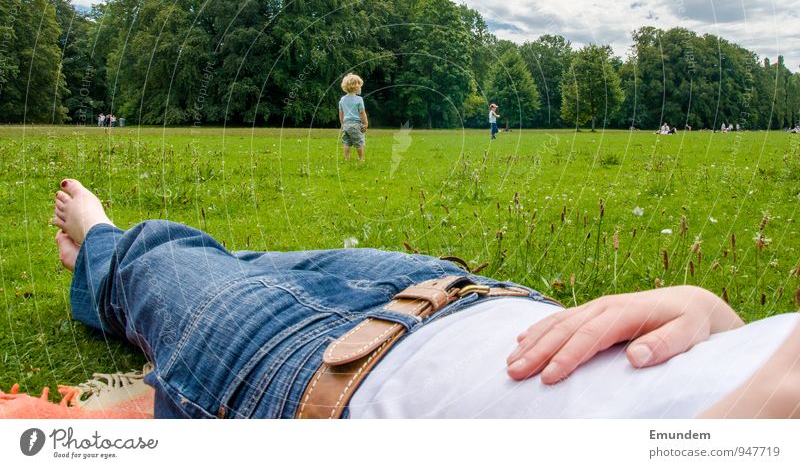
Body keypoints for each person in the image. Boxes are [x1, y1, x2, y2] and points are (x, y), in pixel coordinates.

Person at [3, 179, 799, 420]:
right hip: (473, 294)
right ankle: (112, 266)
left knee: (164, 255)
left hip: (320, 371)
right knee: (239, 260)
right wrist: (719, 318)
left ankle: (102, 247)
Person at [338, 73, 368, 162]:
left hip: (346, 124)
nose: (360, 88)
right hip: (356, 124)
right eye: (360, 86)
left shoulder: (342, 99)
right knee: (359, 142)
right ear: (356, 87)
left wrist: (342, 124)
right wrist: (366, 123)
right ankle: (361, 159)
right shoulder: (359, 99)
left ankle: (347, 158)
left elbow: (341, 113)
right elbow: (362, 112)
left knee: (346, 142)